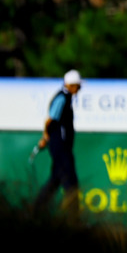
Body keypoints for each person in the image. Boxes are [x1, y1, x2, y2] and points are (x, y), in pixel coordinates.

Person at [36, 69, 83, 210]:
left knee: (55, 179)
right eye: (78, 85)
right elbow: (50, 120)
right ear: (71, 85)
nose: (79, 89)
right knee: (70, 181)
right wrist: (45, 136)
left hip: (61, 146)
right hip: (60, 147)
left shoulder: (66, 97)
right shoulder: (62, 98)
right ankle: (73, 217)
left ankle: (36, 210)